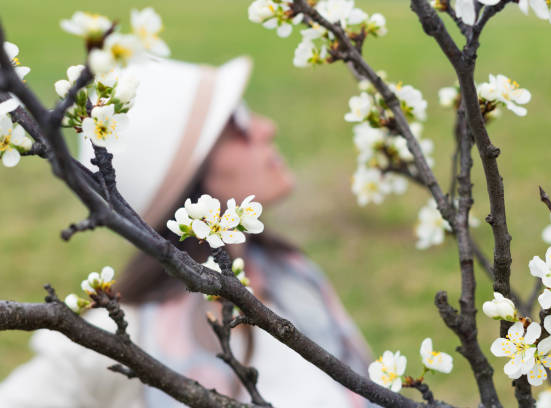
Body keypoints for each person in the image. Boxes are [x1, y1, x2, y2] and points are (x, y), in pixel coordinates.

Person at [0, 57, 376, 407]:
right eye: (237, 121)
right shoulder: (123, 338)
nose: (266, 127)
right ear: (194, 176)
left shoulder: (286, 271)